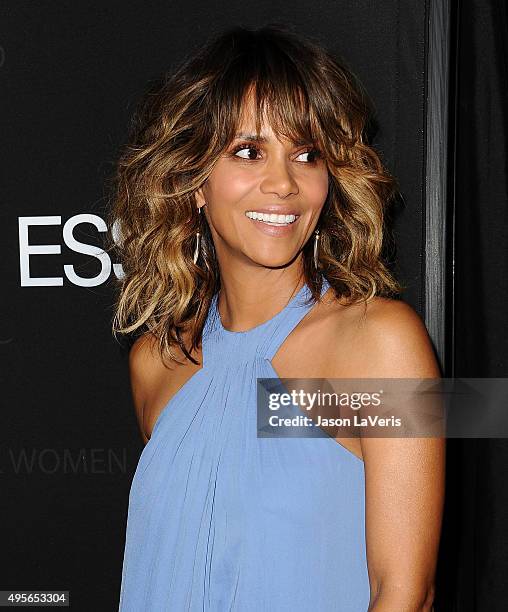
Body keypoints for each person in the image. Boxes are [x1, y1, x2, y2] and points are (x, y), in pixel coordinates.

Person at [108, 23, 445, 611]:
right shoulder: (158, 364)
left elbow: (405, 595)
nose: (284, 183)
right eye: (248, 151)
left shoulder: (379, 346)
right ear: (193, 182)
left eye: (306, 154)